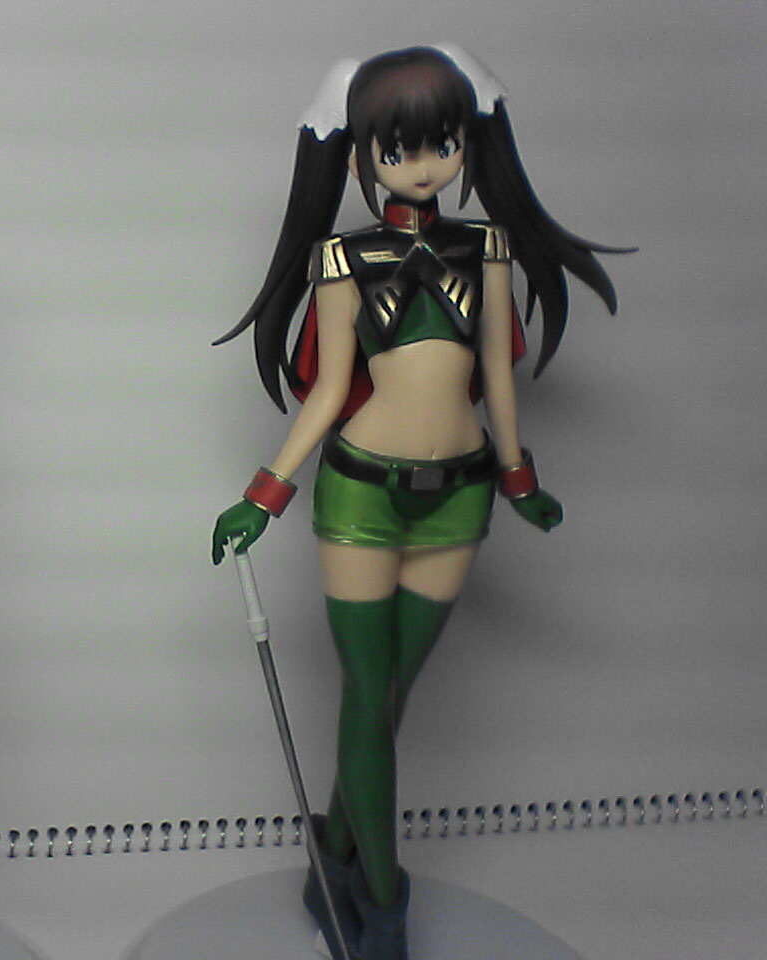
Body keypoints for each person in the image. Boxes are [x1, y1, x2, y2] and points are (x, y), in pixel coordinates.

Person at [210, 45, 627, 960]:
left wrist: (519, 479)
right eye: (397, 149)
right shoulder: (341, 259)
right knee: (369, 691)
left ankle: (331, 855)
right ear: (362, 155)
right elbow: (328, 392)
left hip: (461, 499)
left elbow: (496, 382)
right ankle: (383, 904)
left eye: (442, 143)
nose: (423, 164)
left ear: (467, 145)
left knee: (389, 697)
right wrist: (263, 496)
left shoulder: (487, 249)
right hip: (361, 497)